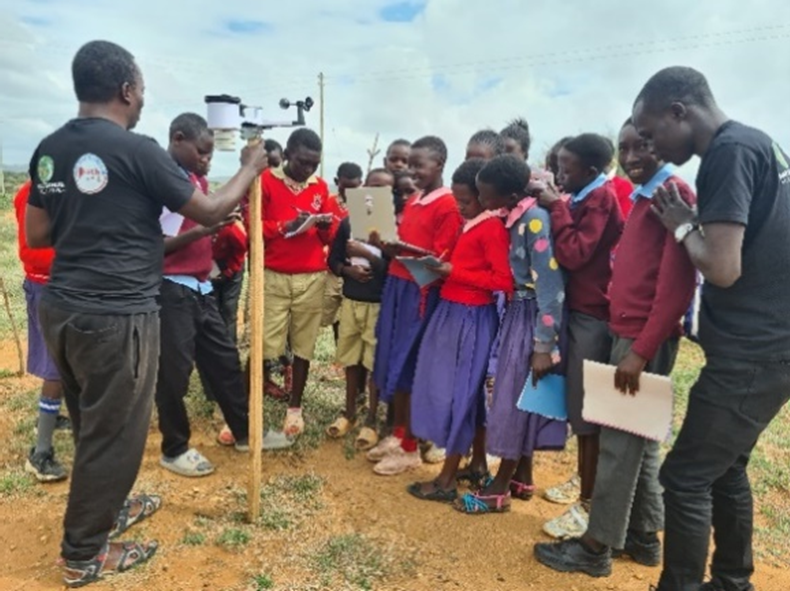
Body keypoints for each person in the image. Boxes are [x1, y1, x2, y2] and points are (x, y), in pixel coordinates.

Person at [25, 40, 268, 587]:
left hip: (62, 307)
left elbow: (37, 232)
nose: (141, 103)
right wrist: (250, 166)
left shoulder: (49, 148)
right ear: (127, 90)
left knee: (92, 421)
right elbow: (208, 208)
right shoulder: (137, 150)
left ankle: (106, 511)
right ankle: (83, 554)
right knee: (117, 433)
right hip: (118, 315)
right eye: (141, 92)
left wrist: (95, 219)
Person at [634, 66, 790, 591]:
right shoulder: (759, 143)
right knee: (724, 467)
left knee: (684, 478)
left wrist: (680, 223)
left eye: (652, 132)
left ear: (680, 111)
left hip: (756, 351)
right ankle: (731, 581)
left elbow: (723, 268)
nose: (650, 146)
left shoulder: (728, 151)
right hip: (769, 345)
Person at [534, 117, 697, 577]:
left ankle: (595, 547)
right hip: (629, 330)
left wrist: (640, 350)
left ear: (665, 142)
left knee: (618, 446)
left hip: (641, 337)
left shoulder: (673, 195)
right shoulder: (648, 197)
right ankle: (644, 538)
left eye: (641, 145)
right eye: (624, 149)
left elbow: (676, 284)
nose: (630, 158)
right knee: (640, 442)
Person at [454, 155, 565, 514]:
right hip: (519, 310)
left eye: (487, 197)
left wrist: (543, 345)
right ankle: (522, 477)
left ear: (512, 193)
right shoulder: (514, 216)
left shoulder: (534, 221)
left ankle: (498, 489)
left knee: (515, 398)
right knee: (525, 396)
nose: (484, 203)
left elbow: (550, 286)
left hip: (532, 316)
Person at [155, 113, 261, 478]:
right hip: (171, 290)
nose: (207, 160)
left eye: (211, 154)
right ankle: (174, 447)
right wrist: (204, 229)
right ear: (177, 138)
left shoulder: (195, 179)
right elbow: (157, 247)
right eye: (201, 152)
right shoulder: (162, 182)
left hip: (201, 288)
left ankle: (246, 432)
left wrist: (211, 233)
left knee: (224, 362)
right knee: (173, 373)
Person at [534, 133, 624, 537]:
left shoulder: (600, 198)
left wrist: (555, 207)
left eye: (565, 168)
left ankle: (589, 506)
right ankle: (585, 490)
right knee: (579, 409)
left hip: (592, 315)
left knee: (588, 415)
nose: (558, 174)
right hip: (579, 311)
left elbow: (573, 254)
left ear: (590, 170)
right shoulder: (583, 195)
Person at [407, 158, 511, 502]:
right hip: (454, 311)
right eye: (457, 201)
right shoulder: (471, 224)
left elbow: (502, 281)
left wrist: (452, 271)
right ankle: (477, 463)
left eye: (465, 201)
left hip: (471, 316)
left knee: (459, 395)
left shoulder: (492, 227)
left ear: (484, 197)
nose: (460, 207)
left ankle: (447, 479)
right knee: (468, 396)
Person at [367, 135, 463, 476]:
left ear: (439, 165)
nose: (412, 171)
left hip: (420, 293)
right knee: (393, 362)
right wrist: (387, 245)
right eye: (410, 165)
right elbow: (409, 247)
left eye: (419, 165)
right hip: (397, 286)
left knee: (410, 367)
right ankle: (398, 435)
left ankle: (410, 447)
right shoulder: (416, 199)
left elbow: (440, 261)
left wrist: (401, 249)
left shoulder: (448, 205)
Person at [258, 127, 335, 438]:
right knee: (265, 343)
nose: (308, 170)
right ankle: (243, 407)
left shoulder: (321, 187)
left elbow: (326, 237)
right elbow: (254, 227)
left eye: (314, 164)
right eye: (303, 162)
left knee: (303, 345)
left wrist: (326, 226)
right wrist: (282, 226)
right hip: (274, 276)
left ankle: (295, 408)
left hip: (311, 278)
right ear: (287, 155)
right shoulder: (264, 182)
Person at [326, 167, 394, 449]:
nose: (374, 195)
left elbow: (393, 270)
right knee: (351, 359)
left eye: (383, 190)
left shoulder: (391, 230)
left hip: (378, 306)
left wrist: (368, 254)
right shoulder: (347, 223)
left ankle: (371, 420)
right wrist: (347, 271)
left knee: (373, 363)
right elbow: (333, 260)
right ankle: (349, 412)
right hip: (352, 302)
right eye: (372, 186)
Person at [13, 180, 70, 483]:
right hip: (48, 287)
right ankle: (40, 454)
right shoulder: (31, 193)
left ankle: (49, 418)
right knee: (55, 368)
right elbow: (31, 251)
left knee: (66, 362)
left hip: (61, 287)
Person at [322, 162, 364, 346]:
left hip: (357, 272)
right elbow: (323, 236)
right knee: (325, 315)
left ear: (361, 184)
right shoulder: (328, 203)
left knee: (347, 318)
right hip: (331, 270)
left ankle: (342, 355)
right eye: (344, 187)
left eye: (353, 188)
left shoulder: (366, 206)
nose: (348, 192)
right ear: (336, 182)